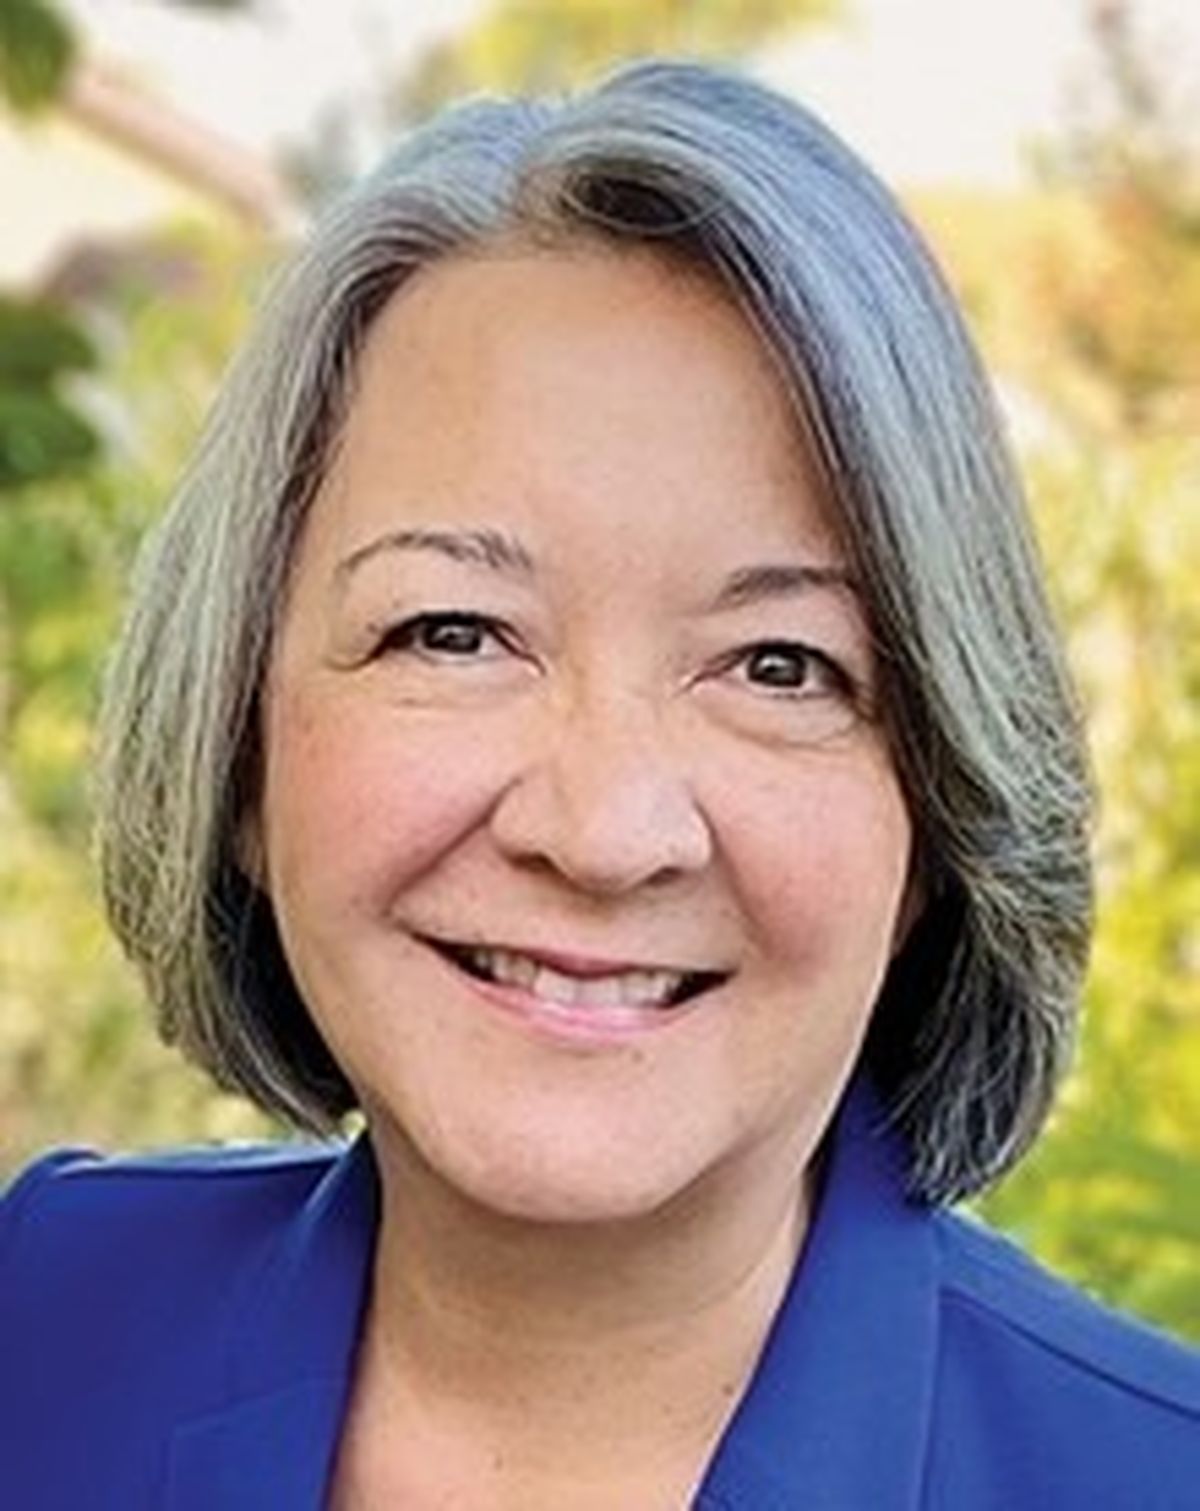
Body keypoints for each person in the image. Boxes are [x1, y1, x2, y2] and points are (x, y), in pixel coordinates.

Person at [2, 58, 1197, 1510]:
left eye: (776, 666)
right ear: (238, 743)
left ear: (938, 823)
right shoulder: (43, 1320)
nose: (604, 829)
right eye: (453, 632)